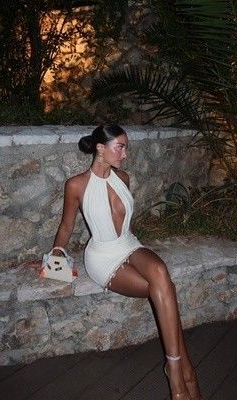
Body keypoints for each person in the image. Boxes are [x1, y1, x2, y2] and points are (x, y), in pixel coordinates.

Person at [43, 124, 203, 399]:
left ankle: (176, 370)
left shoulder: (123, 178)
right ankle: (184, 372)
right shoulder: (76, 185)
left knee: (160, 273)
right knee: (164, 290)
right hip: (102, 257)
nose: (125, 154)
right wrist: (55, 256)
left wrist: (136, 254)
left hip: (129, 244)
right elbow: (66, 226)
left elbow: (124, 224)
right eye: (120, 147)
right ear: (100, 148)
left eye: (125, 147)